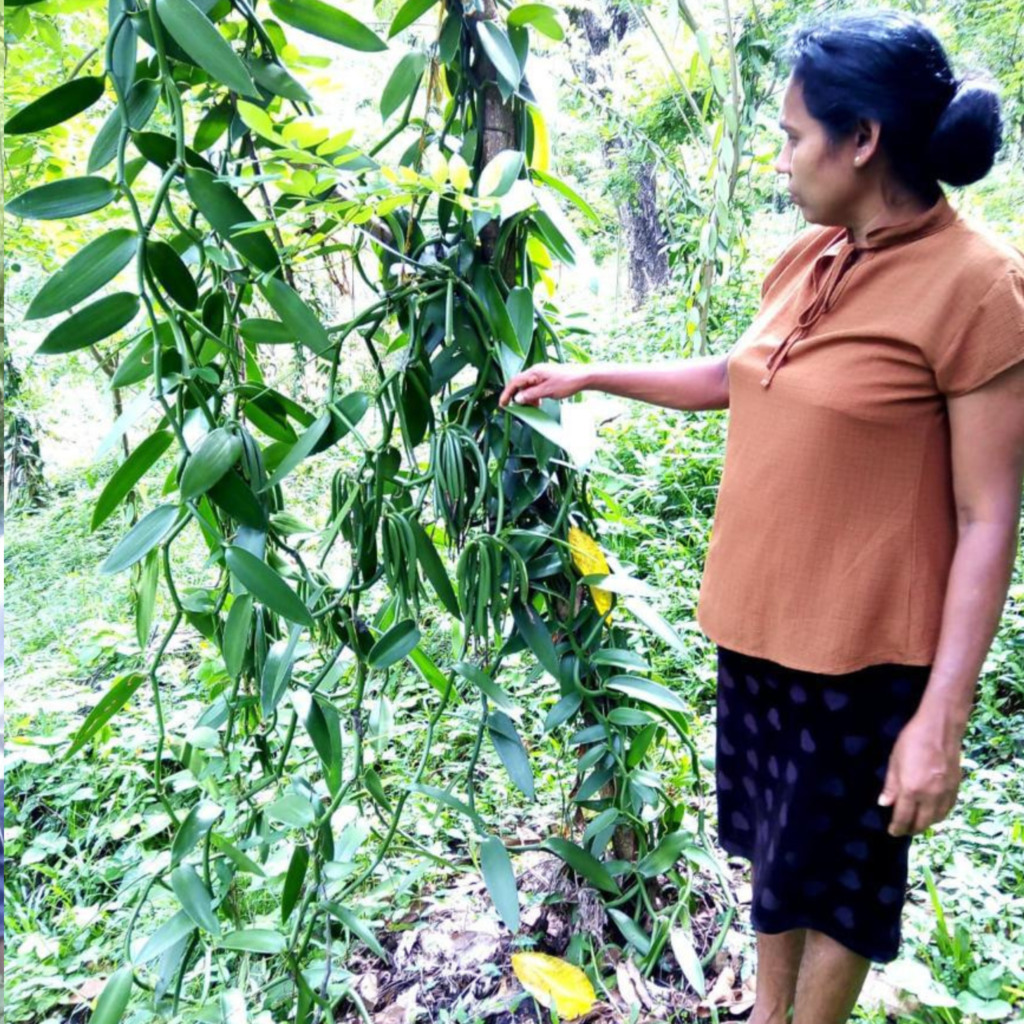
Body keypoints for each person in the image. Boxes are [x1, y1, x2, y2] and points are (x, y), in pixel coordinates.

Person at [499, 11, 1024, 1024]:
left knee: (838, 887)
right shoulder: (815, 255)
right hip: (759, 634)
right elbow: (739, 375)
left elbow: (988, 514)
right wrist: (592, 371)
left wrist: (940, 721)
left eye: (791, 137)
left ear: (861, 140)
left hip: (865, 665)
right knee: (775, 856)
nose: (777, 159)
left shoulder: (976, 287)